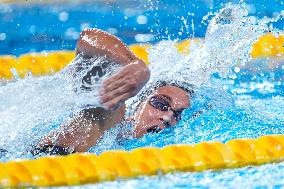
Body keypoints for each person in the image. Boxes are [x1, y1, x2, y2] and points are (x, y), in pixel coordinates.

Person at [33, 28, 194, 155]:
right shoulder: (111, 115)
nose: (167, 117)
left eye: (177, 115)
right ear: (138, 104)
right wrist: (136, 65)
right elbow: (87, 38)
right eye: (160, 103)